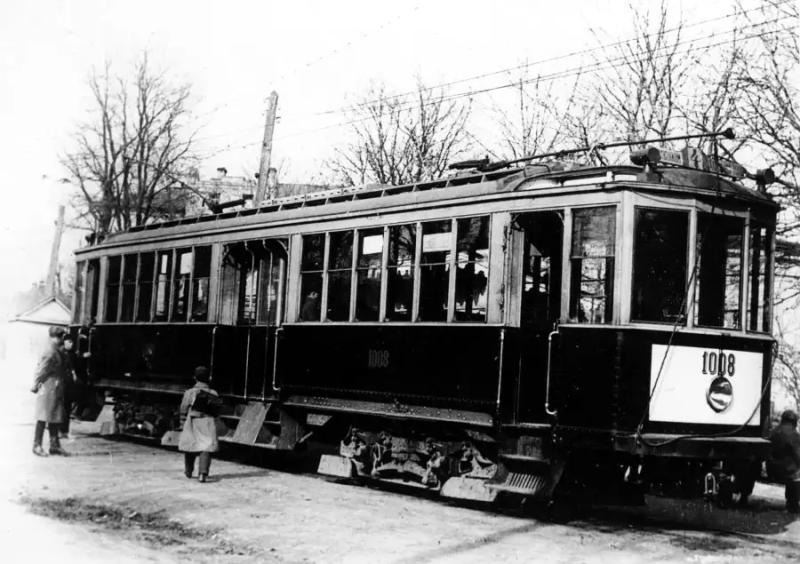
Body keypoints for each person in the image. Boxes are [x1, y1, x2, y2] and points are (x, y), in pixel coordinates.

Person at [31, 326, 70, 456]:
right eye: (61, 337)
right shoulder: (50, 351)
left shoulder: (56, 350)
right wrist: (35, 384)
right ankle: (37, 445)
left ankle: (54, 446)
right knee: (43, 417)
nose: (62, 339)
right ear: (57, 337)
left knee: (54, 416)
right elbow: (41, 370)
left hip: (55, 387)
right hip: (48, 388)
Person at [178, 366, 220, 482]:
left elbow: (183, 408)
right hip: (207, 422)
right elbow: (216, 411)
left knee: (190, 446)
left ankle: (188, 471)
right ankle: (203, 473)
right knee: (205, 447)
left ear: (195, 378)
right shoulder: (214, 393)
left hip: (193, 421)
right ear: (208, 378)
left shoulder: (190, 392)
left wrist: (182, 422)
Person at [769, 409, 800, 514]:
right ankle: (792, 504)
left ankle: (792, 503)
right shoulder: (794, 436)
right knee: (795, 474)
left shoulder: (774, 432)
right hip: (783, 470)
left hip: (773, 468)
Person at [59, 335, 78, 438]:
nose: (71, 344)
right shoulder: (61, 353)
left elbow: (73, 367)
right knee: (62, 408)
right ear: (64, 342)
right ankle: (60, 430)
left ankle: (64, 431)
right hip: (62, 384)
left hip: (69, 384)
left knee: (67, 408)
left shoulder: (71, 354)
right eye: (69, 342)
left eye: (72, 342)